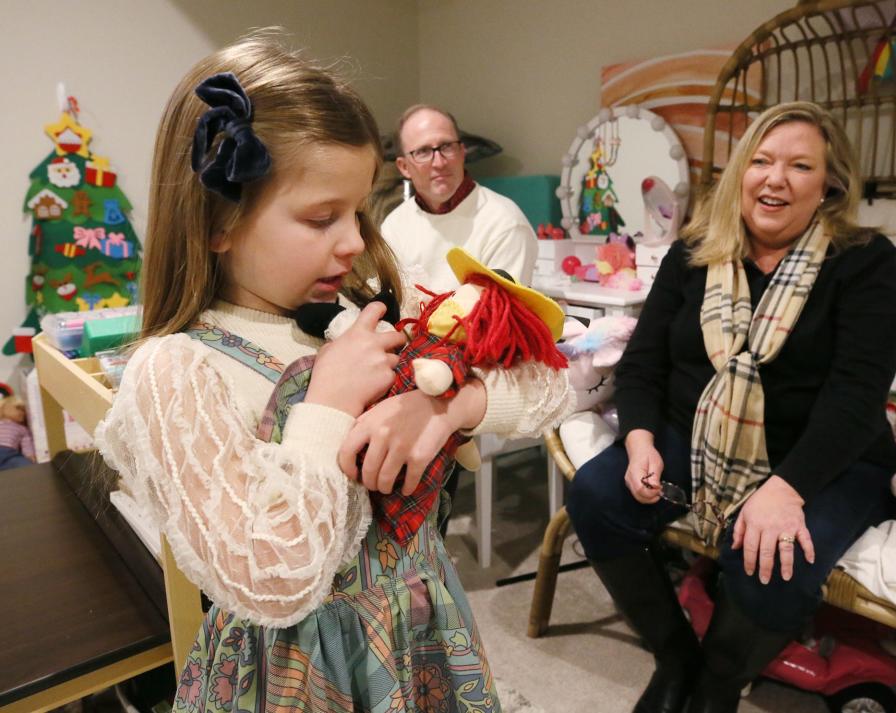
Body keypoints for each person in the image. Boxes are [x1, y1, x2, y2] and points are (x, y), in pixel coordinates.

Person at [95, 33, 571, 712]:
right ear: (218, 222)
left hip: (420, 630)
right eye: (322, 217)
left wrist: (444, 411)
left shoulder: (360, 310)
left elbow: (553, 387)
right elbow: (277, 577)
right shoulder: (175, 372)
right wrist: (330, 405)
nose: (353, 240)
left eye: (357, 209)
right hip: (298, 675)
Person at [566, 101, 896, 713]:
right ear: (741, 172)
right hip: (692, 432)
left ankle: (717, 684)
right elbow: (644, 363)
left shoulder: (863, 261)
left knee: (770, 562)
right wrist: (640, 438)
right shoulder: (694, 250)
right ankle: (676, 659)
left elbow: (857, 396)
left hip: (826, 454)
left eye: (800, 166)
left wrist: (788, 488)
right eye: (762, 160)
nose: (775, 179)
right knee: (595, 497)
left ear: (828, 183)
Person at [380, 104, 538, 293]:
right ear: (404, 167)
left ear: (462, 152)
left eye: (446, 146)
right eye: (422, 152)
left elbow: (499, 316)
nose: (439, 163)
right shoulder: (393, 226)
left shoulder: (505, 223)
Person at [0, 393, 34, 470]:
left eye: (23, 410)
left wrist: (30, 455)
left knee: (23, 463)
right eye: (18, 408)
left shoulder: (22, 429)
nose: (22, 413)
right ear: (4, 408)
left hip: (10, 454)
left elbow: (27, 444)